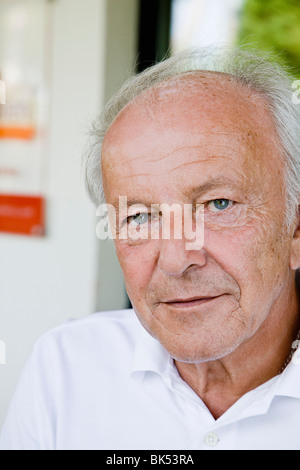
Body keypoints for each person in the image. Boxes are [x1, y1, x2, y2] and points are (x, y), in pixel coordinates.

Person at [1, 47, 300, 450]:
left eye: (218, 205)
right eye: (139, 216)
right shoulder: (64, 369)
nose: (176, 260)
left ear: (294, 229)